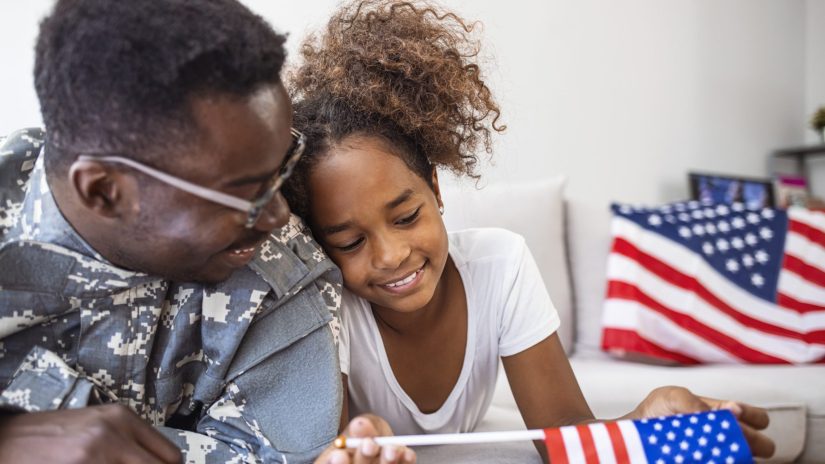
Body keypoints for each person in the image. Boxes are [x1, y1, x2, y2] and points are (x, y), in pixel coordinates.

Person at [282, 0, 775, 460]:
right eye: (349, 242)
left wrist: (647, 417)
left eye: (407, 216)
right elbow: (336, 447)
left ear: (435, 188)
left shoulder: (501, 266)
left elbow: (564, 434)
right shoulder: (329, 303)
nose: (390, 255)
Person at [0, 1, 414, 463]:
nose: (278, 214)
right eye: (246, 194)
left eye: (281, 169)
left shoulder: (278, 275)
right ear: (105, 192)